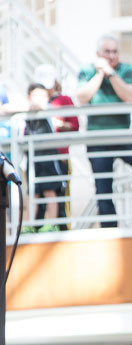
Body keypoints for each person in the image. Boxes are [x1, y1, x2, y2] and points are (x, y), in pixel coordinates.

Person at [76, 34, 132, 227]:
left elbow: (128, 96)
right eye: (107, 51)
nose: (111, 55)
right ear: (98, 53)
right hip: (97, 138)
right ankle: (109, 226)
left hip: (123, 135)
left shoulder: (126, 70)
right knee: (103, 185)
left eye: (115, 51)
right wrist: (100, 74)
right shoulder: (87, 70)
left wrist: (112, 74)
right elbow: (82, 97)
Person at [33, 64, 79, 229]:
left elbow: (74, 125)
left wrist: (55, 123)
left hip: (59, 158)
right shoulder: (35, 101)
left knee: (60, 200)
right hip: (38, 158)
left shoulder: (64, 100)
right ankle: (37, 230)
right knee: (38, 198)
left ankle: (63, 231)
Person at [22, 83, 64, 233]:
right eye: (36, 95)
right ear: (29, 97)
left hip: (48, 159)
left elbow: (59, 123)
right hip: (32, 160)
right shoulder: (25, 114)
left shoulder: (49, 113)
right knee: (33, 192)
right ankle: (29, 225)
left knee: (50, 191)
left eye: (43, 95)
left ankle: (52, 224)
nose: (39, 99)